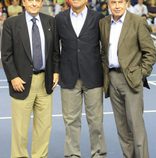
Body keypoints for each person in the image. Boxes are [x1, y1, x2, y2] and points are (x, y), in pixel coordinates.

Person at [1, 0, 59, 157]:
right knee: (20, 129)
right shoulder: (11, 24)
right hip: (21, 82)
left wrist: (55, 71)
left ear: (41, 3)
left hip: (45, 82)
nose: (34, 3)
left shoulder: (50, 21)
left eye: (38, 0)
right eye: (30, 0)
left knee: (44, 127)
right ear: (24, 3)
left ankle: (40, 155)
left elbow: (55, 51)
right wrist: (13, 77)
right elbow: (6, 55)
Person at [99, 0, 156, 157]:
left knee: (136, 127)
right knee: (122, 129)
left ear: (126, 4)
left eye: (120, 2)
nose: (117, 6)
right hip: (112, 80)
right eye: (113, 2)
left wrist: (140, 74)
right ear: (109, 4)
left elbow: (150, 52)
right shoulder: (103, 23)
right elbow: (104, 51)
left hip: (131, 80)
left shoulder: (137, 21)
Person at [55, 0, 107, 157]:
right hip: (69, 76)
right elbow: (55, 49)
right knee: (71, 122)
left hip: (93, 76)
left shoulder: (99, 17)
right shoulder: (59, 18)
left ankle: (98, 154)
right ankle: (72, 155)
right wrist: (56, 71)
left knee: (96, 121)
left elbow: (105, 46)